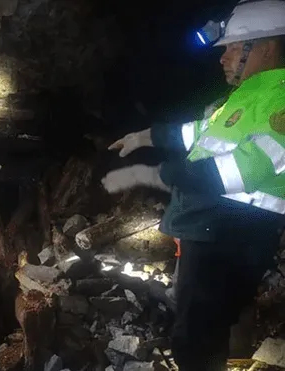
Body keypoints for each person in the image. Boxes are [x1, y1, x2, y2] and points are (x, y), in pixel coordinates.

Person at [102, 1, 285, 369]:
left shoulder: (279, 97)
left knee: (195, 338)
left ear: (265, 48)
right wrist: (145, 136)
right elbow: (196, 133)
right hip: (213, 226)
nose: (223, 58)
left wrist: (159, 175)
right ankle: (234, 358)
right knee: (215, 320)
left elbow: (239, 171)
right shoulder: (251, 94)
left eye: (233, 48)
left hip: (230, 232)